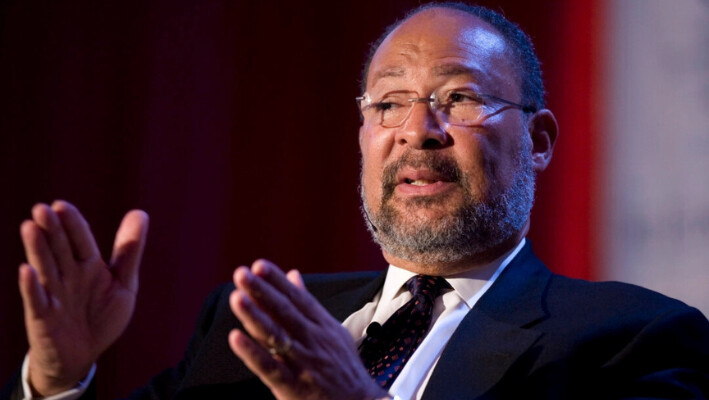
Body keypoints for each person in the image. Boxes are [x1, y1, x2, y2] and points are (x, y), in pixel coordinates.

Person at [4, 3, 709, 400]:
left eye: (457, 99)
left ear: (541, 138)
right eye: (389, 103)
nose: (417, 132)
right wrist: (59, 381)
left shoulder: (632, 339)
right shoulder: (255, 321)